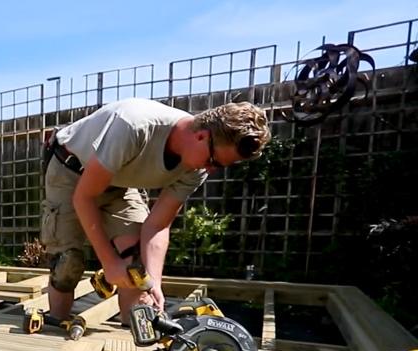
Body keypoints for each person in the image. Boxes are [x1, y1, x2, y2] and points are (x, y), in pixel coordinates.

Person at [41, 98, 270, 324]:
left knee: (136, 262)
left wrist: (152, 283)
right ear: (202, 136)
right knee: (67, 263)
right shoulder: (134, 126)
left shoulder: (197, 168)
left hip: (119, 182)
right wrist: (109, 263)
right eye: (214, 161)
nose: (211, 170)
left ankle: (135, 330)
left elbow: (158, 225)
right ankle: (56, 326)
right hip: (70, 171)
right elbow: (85, 196)